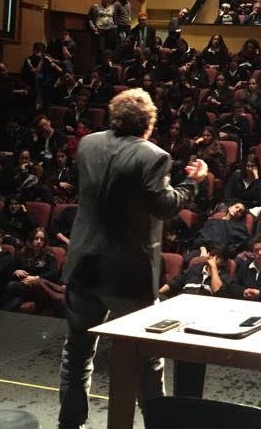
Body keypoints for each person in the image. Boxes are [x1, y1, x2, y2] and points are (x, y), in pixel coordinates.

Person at [57, 88, 209, 429]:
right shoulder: (153, 156)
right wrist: (193, 182)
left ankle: (69, 424)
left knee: (77, 354)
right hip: (127, 272)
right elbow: (166, 206)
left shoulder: (88, 144)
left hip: (83, 263)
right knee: (146, 358)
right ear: (149, 123)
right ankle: (158, 425)